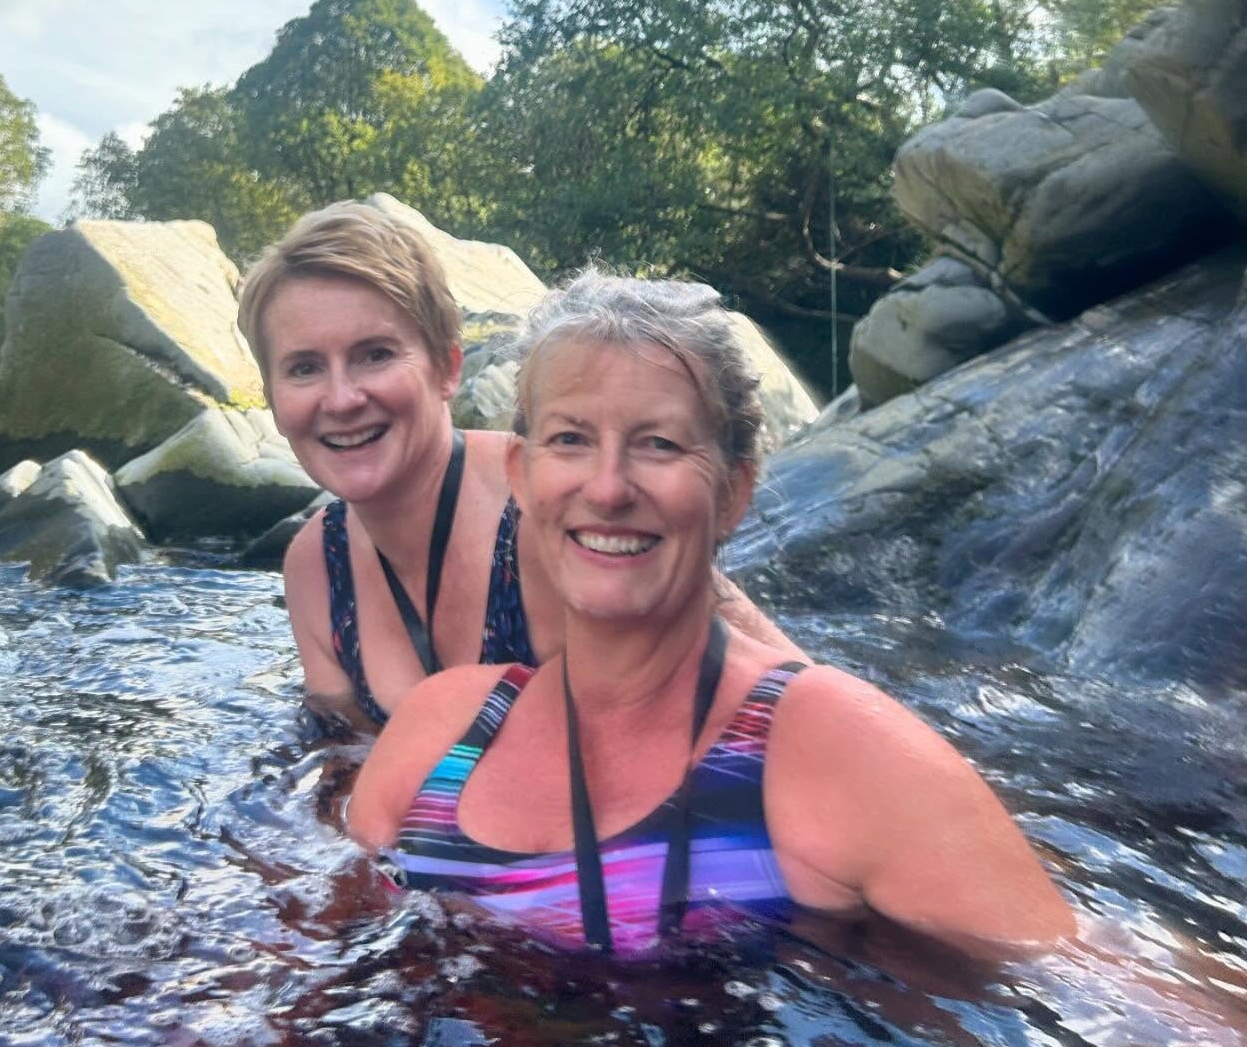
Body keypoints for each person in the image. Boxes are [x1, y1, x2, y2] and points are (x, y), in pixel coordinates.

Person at [348, 269, 1076, 957]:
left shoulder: (836, 747)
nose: (607, 488)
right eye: (570, 439)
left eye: (659, 444)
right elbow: (329, 951)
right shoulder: (441, 727)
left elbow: (1090, 999)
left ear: (734, 491)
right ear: (522, 474)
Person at [237, 201, 803, 731]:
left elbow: (795, 693)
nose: (341, 399)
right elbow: (342, 767)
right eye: (304, 368)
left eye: (375, 355)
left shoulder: (551, 503)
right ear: (272, 396)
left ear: (447, 367)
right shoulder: (316, 566)